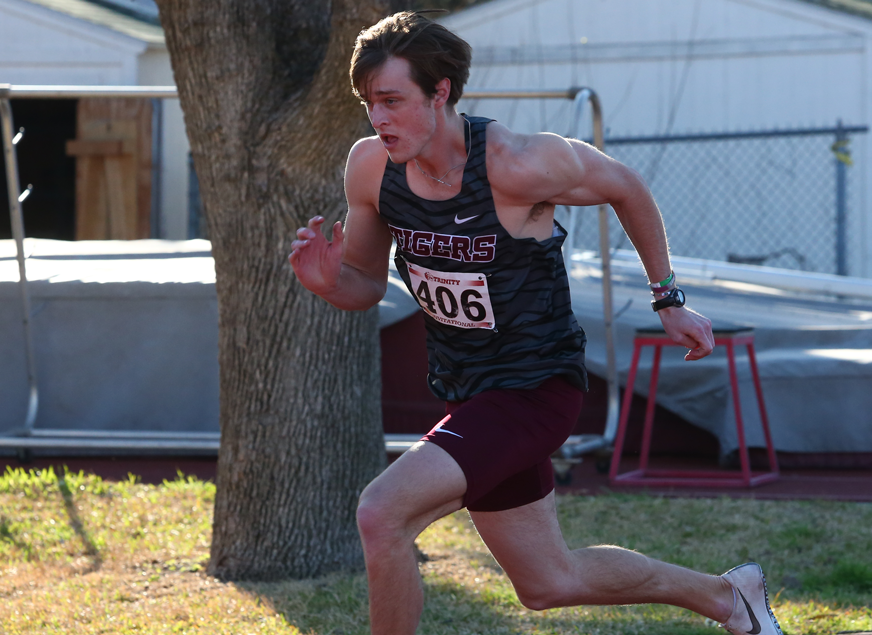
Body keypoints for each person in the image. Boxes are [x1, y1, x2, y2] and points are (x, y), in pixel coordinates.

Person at [288, 11, 782, 635]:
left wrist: (668, 298)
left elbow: (625, 185)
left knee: (380, 513)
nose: (378, 119)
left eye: (391, 100)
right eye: (368, 104)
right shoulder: (371, 169)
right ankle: (727, 597)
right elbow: (362, 284)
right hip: (471, 392)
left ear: (440, 93)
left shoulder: (515, 164)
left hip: (536, 385)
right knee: (549, 583)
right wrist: (331, 283)